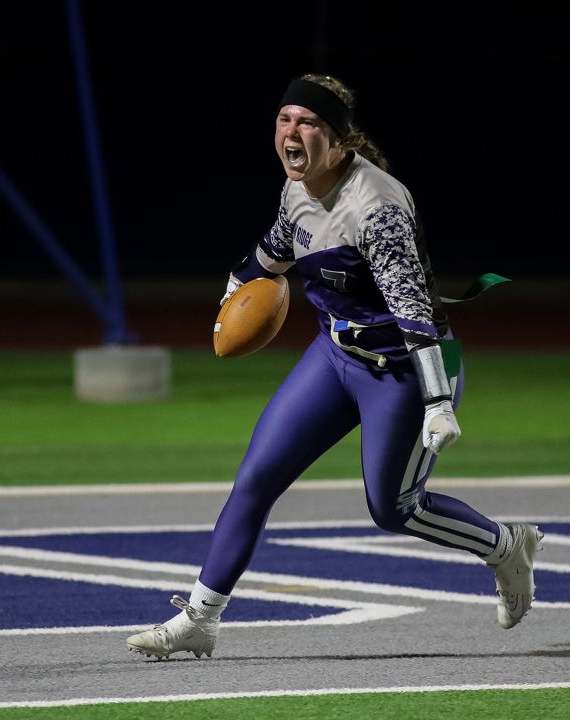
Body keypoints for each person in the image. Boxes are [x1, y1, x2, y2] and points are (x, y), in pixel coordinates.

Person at [125, 74, 542, 660]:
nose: (291, 133)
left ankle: (505, 547)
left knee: (393, 508)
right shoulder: (296, 190)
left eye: (308, 123)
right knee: (256, 478)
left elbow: (412, 308)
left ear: (340, 141)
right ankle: (200, 617)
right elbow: (269, 255)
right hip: (337, 354)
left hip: (408, 367)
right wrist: (235, 292)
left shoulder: (376, 205)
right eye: (284, 119)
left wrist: (438, 401)